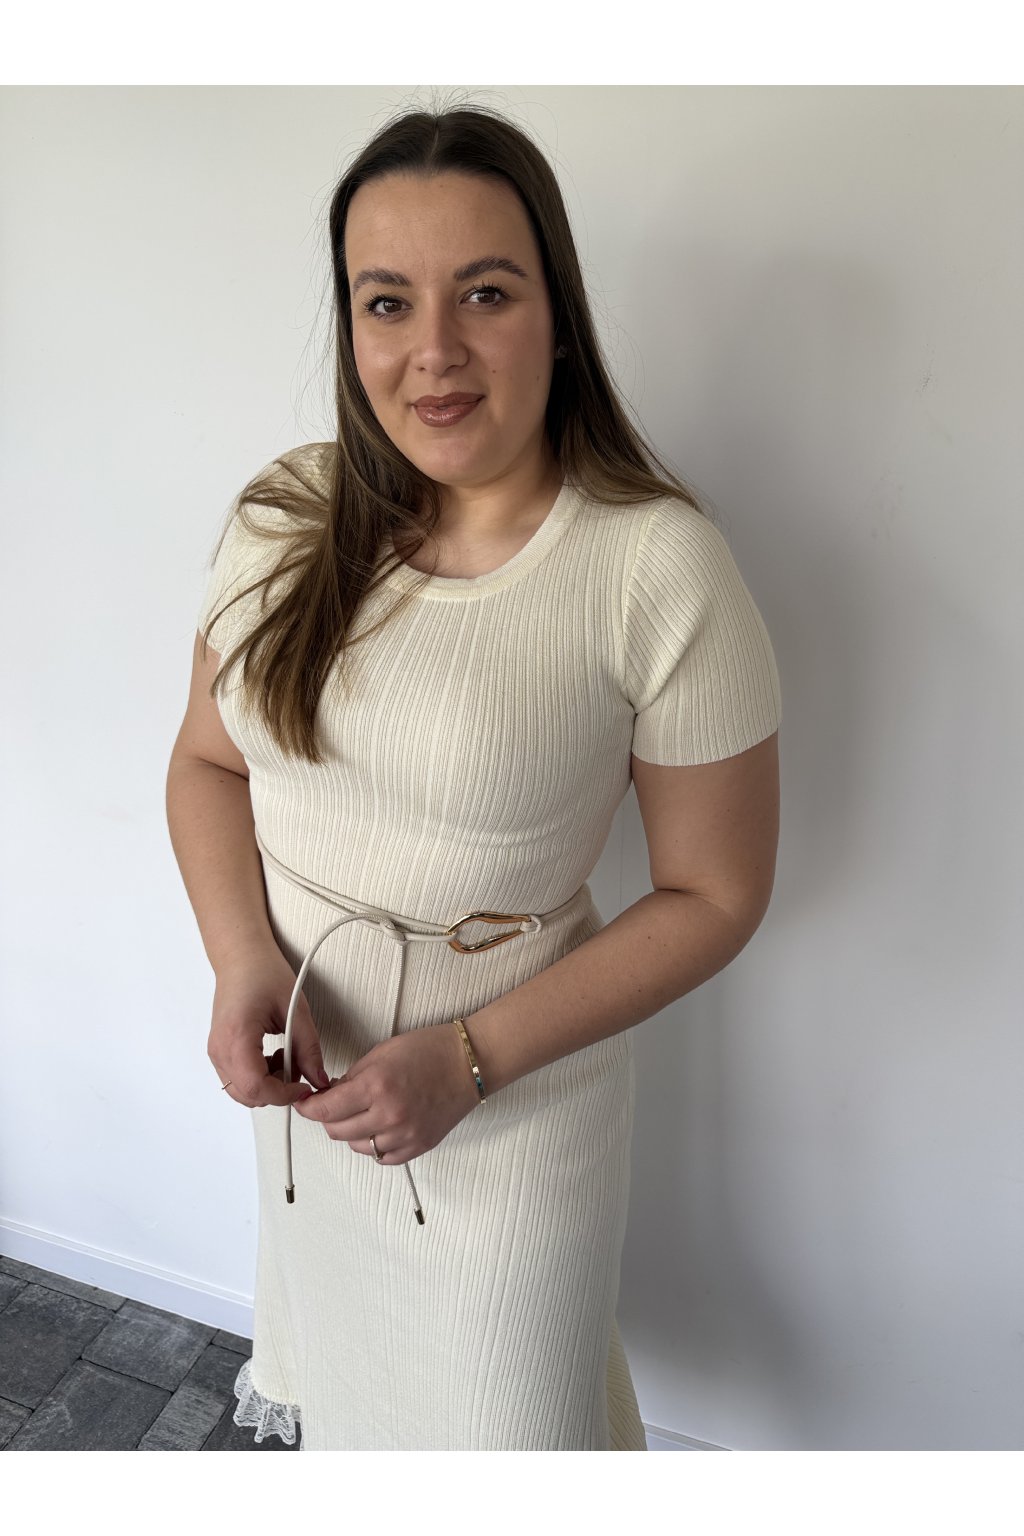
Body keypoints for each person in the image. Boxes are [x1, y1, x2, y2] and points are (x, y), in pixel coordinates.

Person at [166, 103, 781, 1453]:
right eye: (386, 301)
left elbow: (718, 892)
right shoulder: (283, 517)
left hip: (513, 1117)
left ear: (557, 317)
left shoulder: (656, 567)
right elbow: (207, 764)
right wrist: (241, 959)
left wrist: (467, 1059)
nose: (432, 351)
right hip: (316, 1105)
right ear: (350, 327)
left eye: (485, 294)